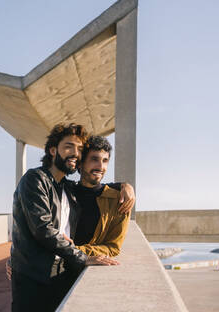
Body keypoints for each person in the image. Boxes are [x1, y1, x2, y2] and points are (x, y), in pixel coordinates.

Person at [10, 123, 134, 312]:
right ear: (53, 150)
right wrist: (82, 256)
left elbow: (93, 188)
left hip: (62, 274)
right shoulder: (36, 179)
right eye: (69, 146)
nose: (75, 153)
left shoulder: (67, 188)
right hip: (34, 279)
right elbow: (41, 227)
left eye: (79, 149)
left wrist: (125, 185)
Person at [71, 135, 131, 257]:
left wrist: (74, 250)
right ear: (80, 163)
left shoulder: (118, 200)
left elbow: (113, 248)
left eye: (105, 161)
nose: (100, 167)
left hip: (86, 271)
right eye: (94, 159)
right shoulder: (64, 193)